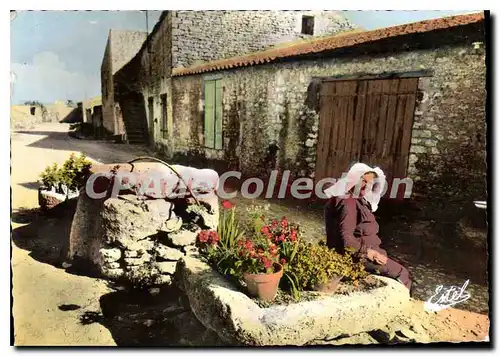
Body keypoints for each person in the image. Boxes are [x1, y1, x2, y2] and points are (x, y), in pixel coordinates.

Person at [323, 163, 412, 291]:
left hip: (363, 254)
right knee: (403, 274)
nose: (366, 186)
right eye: (363, 181)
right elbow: (346, 240)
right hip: (357, 258)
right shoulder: (348, 202)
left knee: (400, 266)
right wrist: (370, 253)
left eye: (370, 183)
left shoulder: (358, 201)